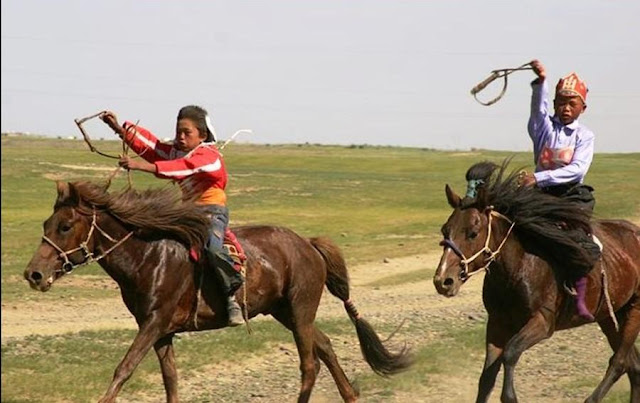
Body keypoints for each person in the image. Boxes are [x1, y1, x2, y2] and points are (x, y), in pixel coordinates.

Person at [100, 105, 244, 326]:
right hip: (187, 212)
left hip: (211, 211)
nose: (180, 137)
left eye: (187, 133)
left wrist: (138, 166)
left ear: (202, 135)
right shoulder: (179, 150)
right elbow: (152, 147)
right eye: (178, 132)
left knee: (213, 249)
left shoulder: (209, 157)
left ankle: (231, 294)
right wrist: (118, 128)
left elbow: (180, 167)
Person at [520, 59, 600, 321]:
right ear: (554, 104)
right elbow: (537, 110)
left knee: (576, 241)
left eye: (571, 104)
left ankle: (578, 296)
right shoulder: (544, 129)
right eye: (561, 102)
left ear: (582, 108)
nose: (565, 108)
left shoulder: (584, 136)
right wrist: (541, 81)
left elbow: (577, 169)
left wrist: (540, 177)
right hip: (540, 195)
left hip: (569, 196)